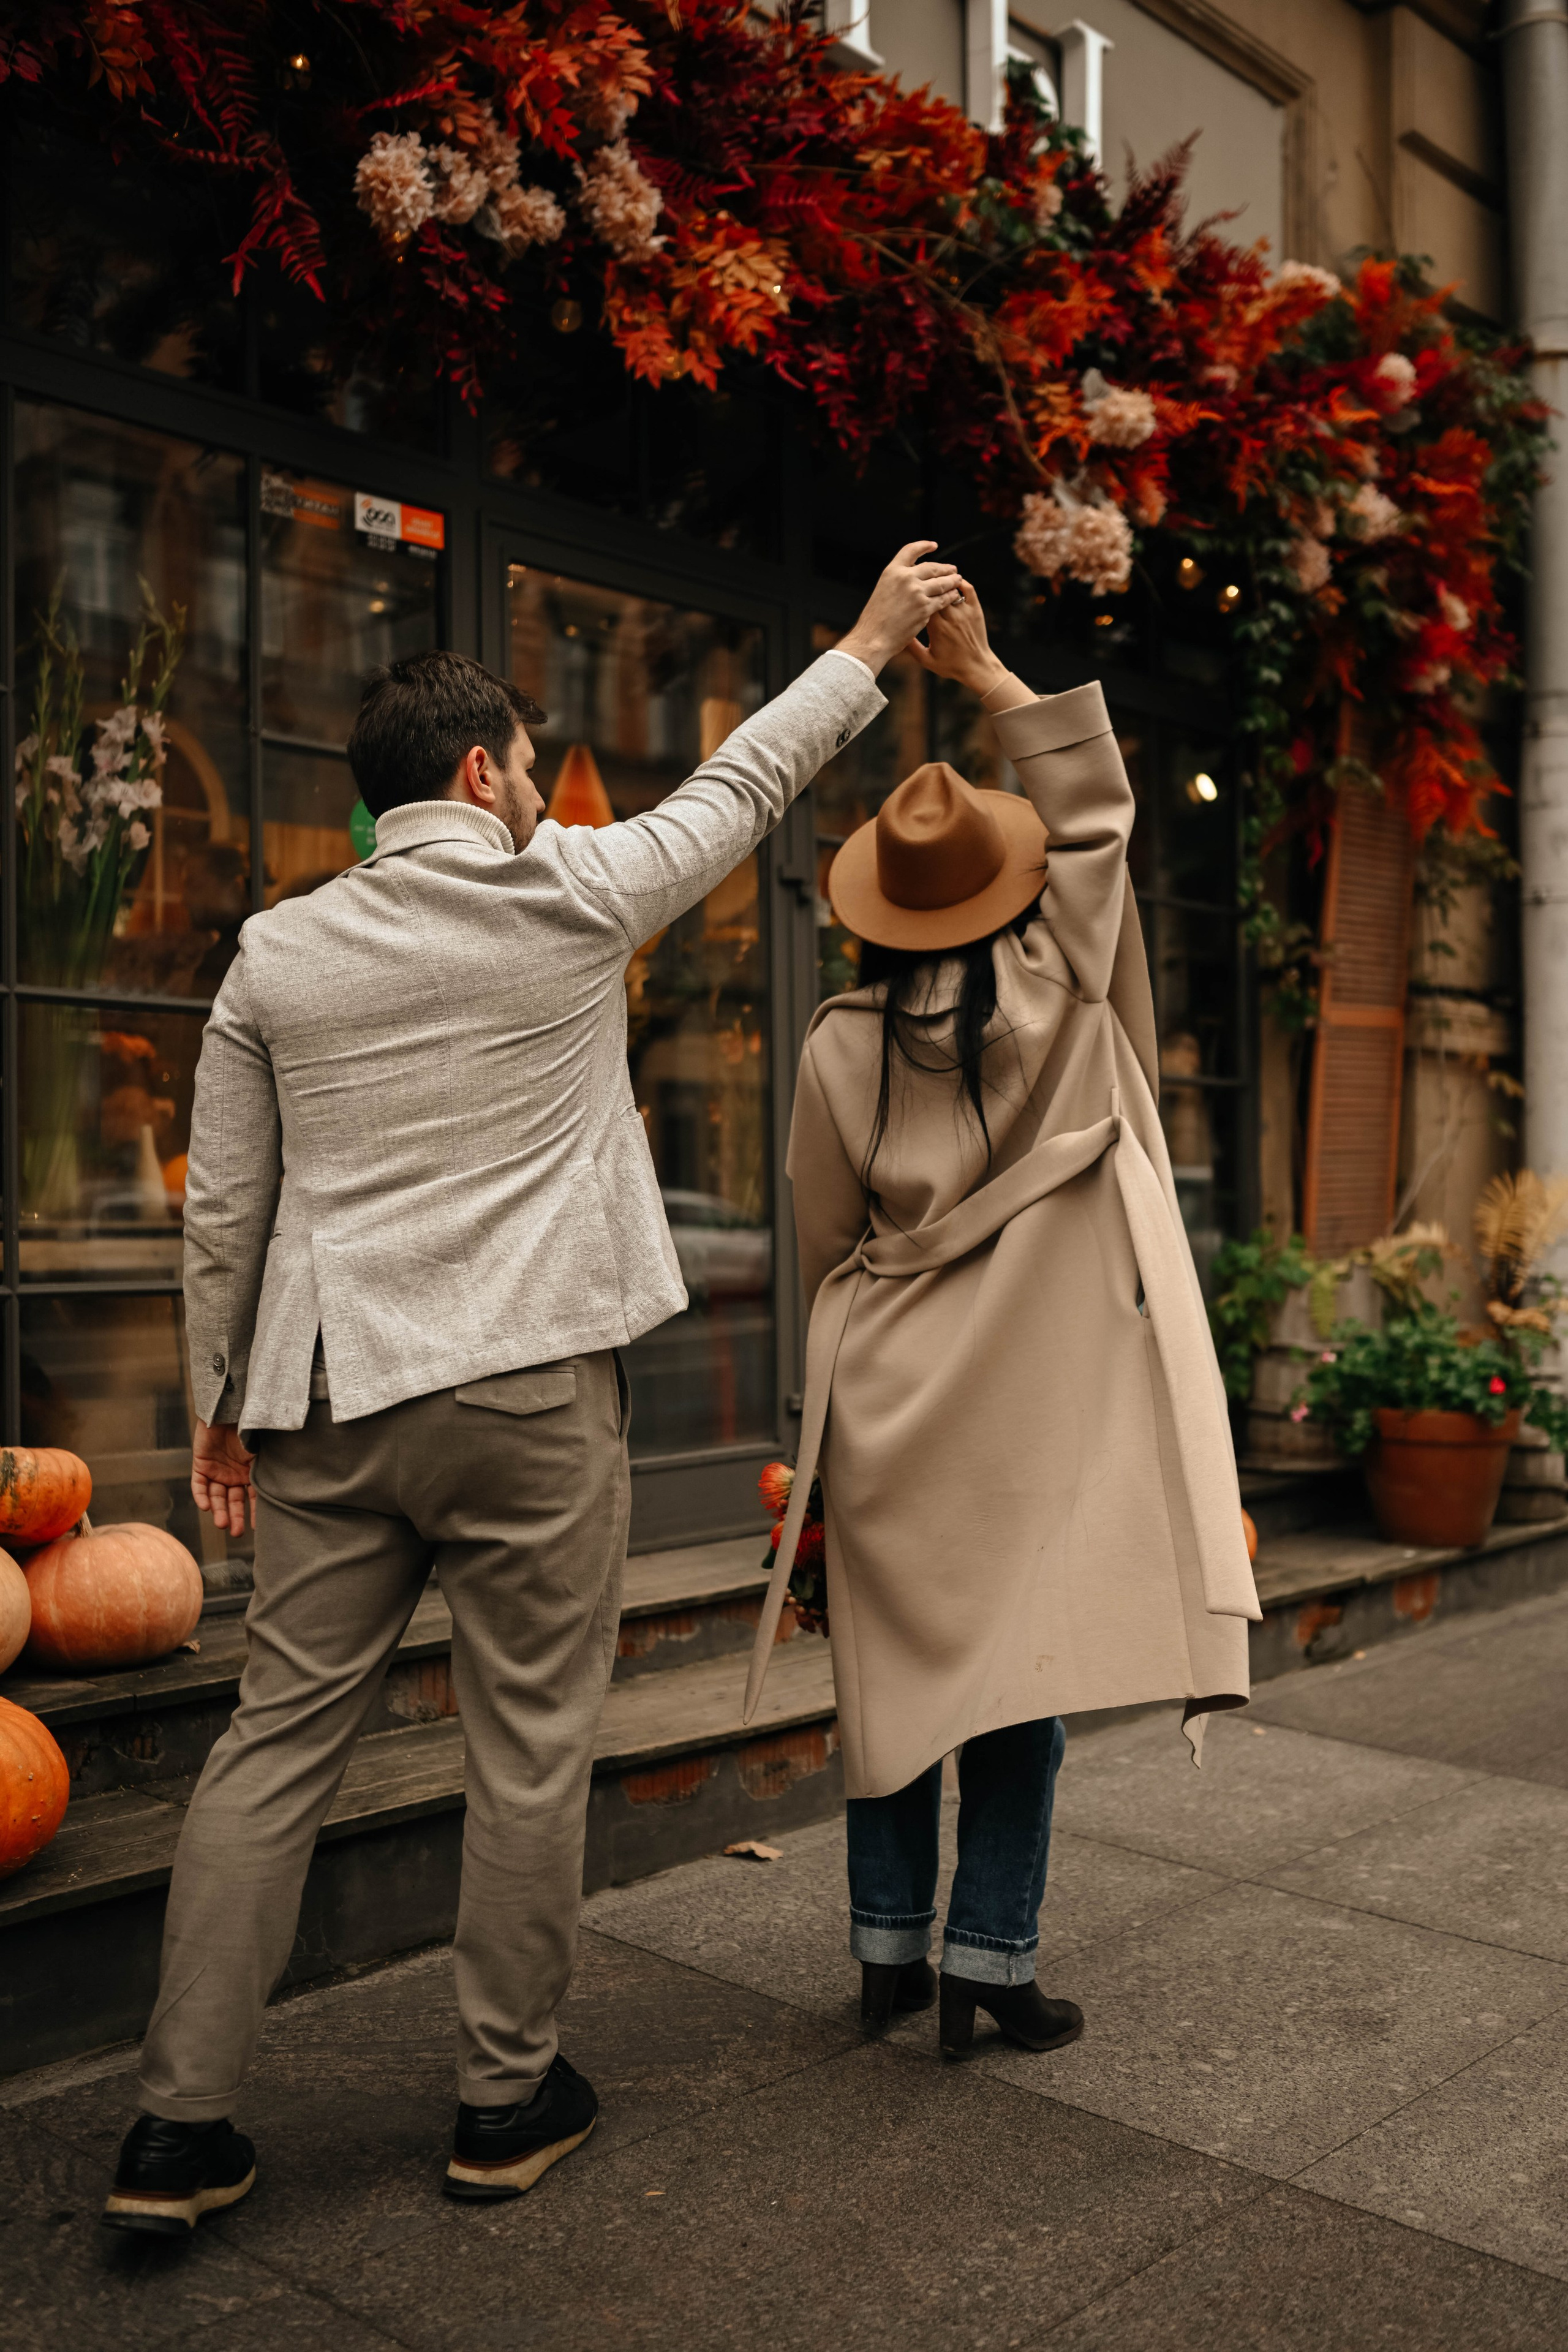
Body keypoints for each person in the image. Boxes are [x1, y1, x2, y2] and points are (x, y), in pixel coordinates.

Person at [100, 541, 963, 2239]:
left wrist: (218, 1399)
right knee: (527, 1750)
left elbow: (224, 1200)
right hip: (529, 1400)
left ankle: (175, 2130)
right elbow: (749, 776)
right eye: (520, 765)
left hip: (331, 1402)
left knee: (271, 1749)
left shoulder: (276, 953)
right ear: (488, 771)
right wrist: (866, 638)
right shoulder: (570, 891)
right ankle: (504, 2100)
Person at [745, 583, 1261, 2059]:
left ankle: (884, 1959)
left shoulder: (839, 1045)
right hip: (1038, 1390)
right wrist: (981, 674)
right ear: (1008, 890)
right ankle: (990, 1959)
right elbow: (1098, 819)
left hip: (894, 1392)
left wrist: (817, 1433)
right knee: (1016, 1682)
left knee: (892, 1677)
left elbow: (824, 1241)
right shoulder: (1067, 985)